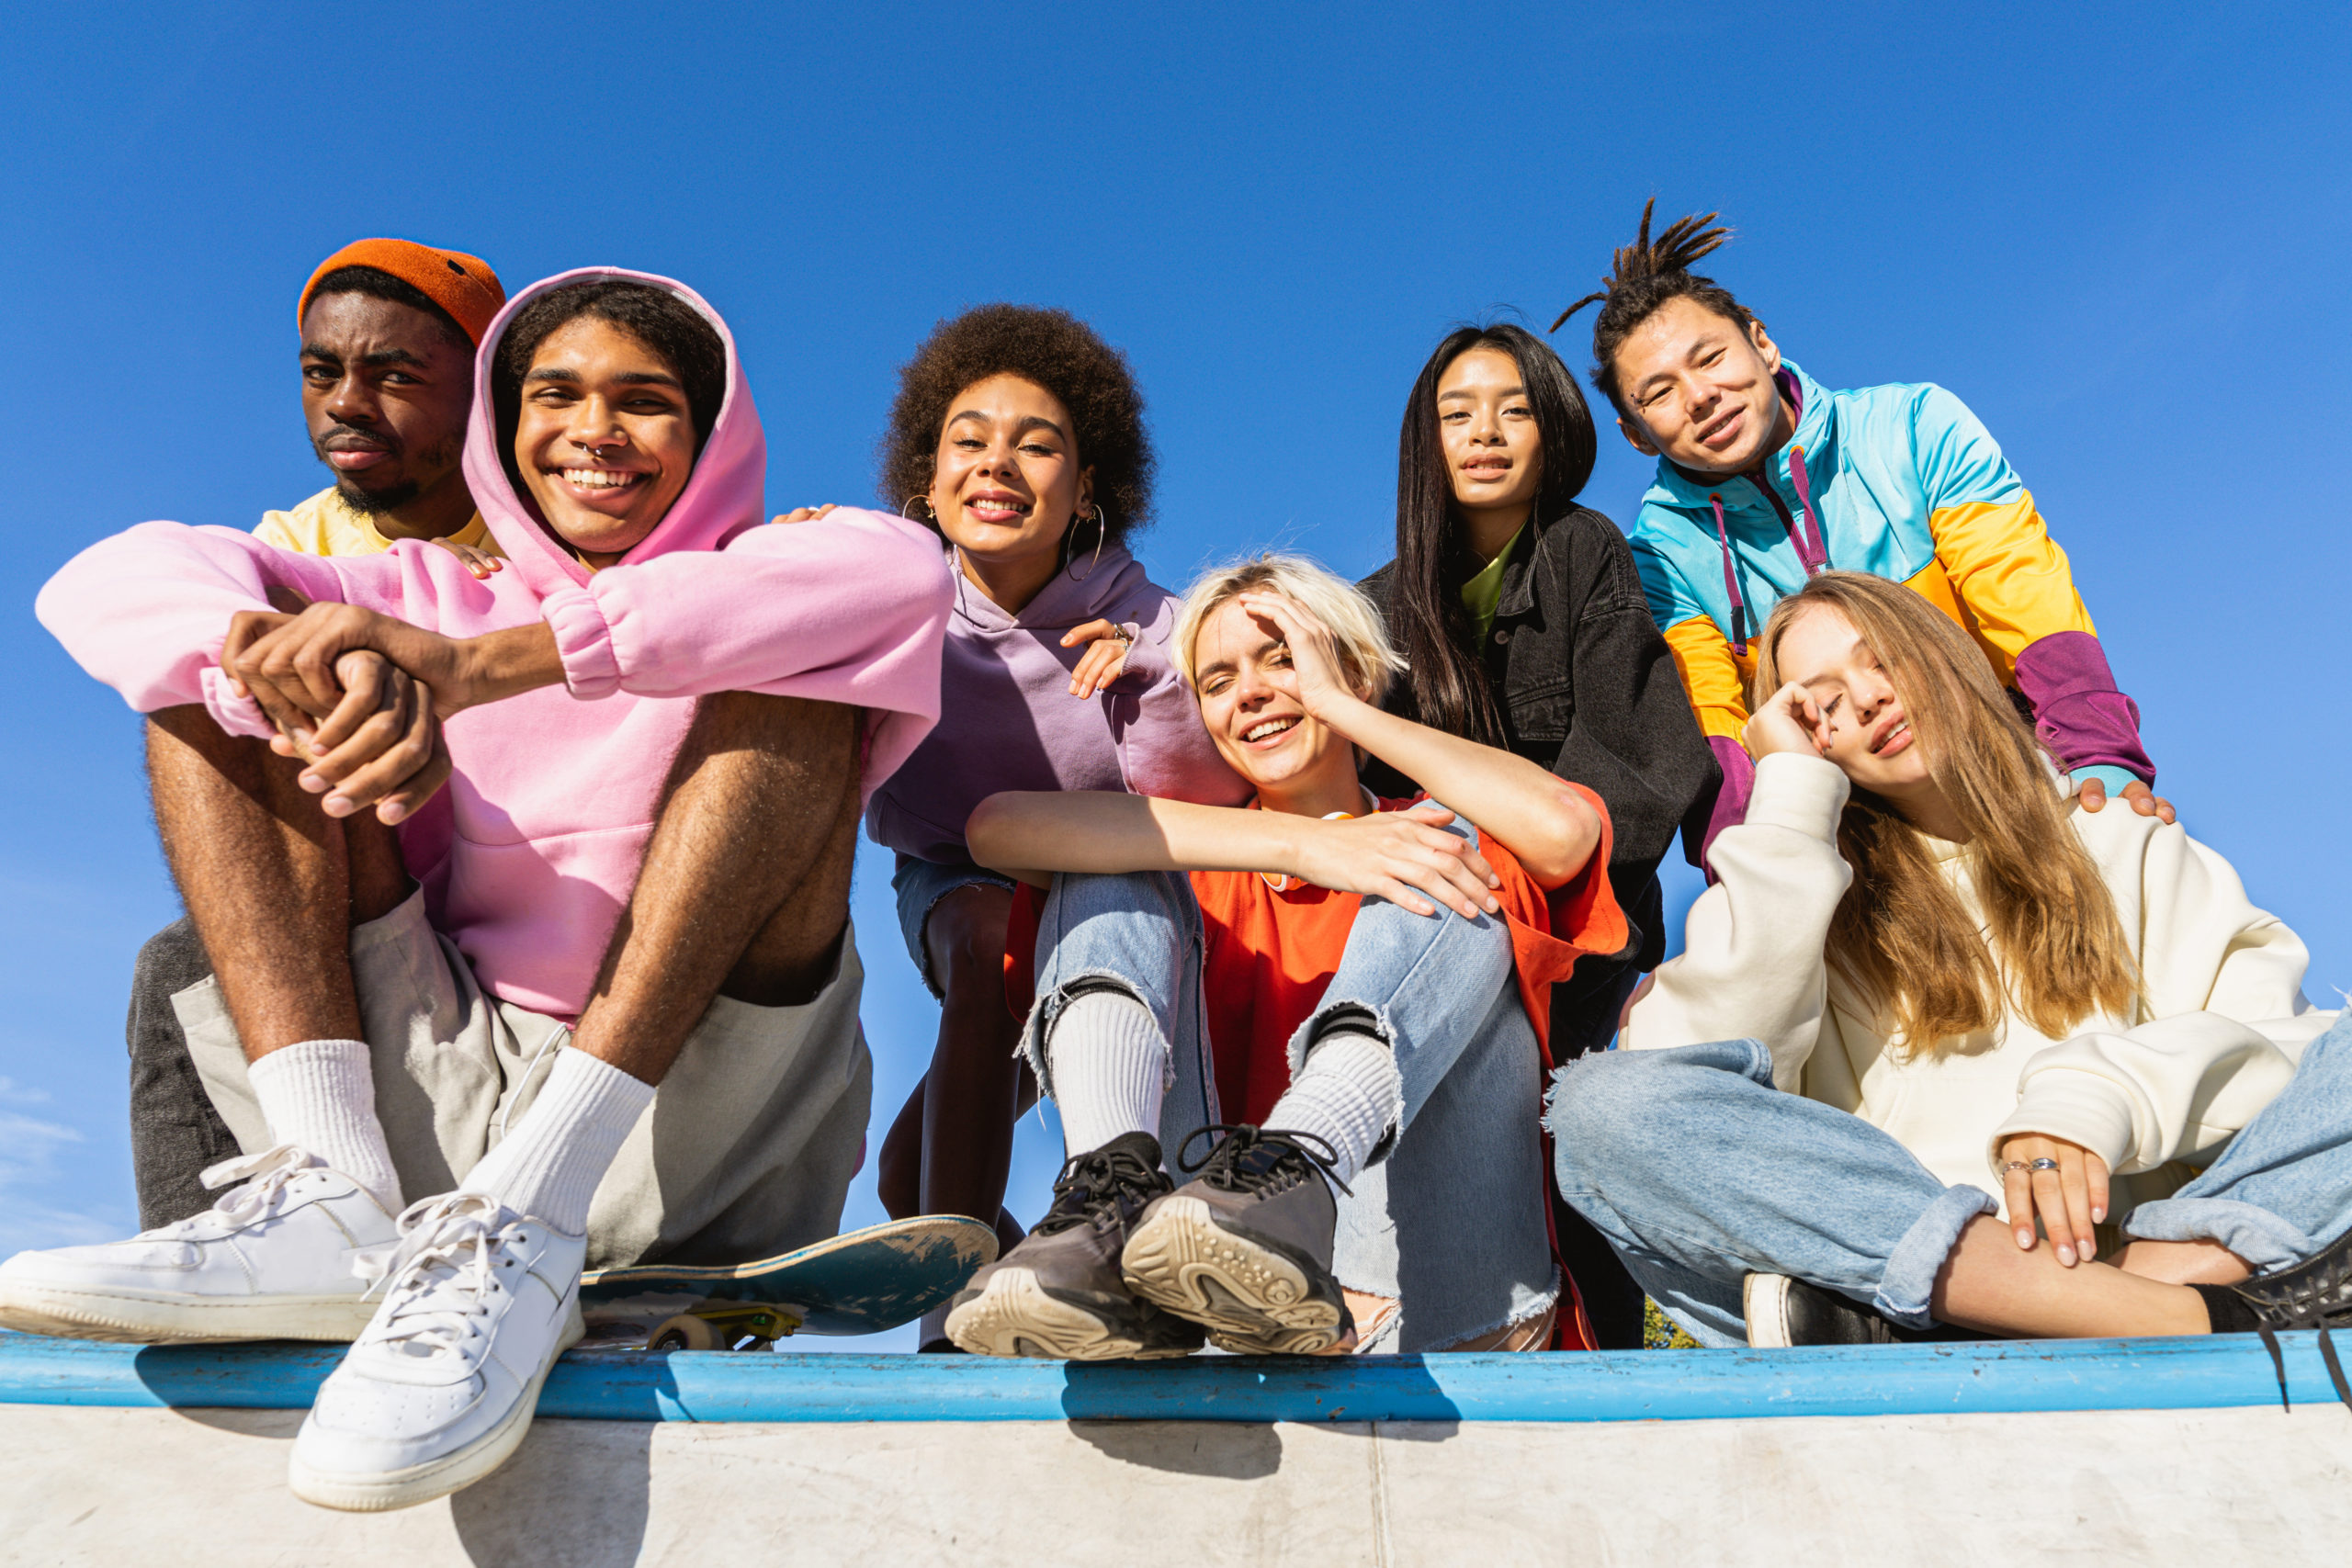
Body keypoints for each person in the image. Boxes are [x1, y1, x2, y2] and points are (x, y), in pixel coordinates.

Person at [5, 269, 953, 1508]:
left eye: (644, 401)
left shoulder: (777, 565)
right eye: (553, 395)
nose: (594, 431)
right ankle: (329, 1185)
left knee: (798, 681)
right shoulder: (421, 592)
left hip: (685, 1117)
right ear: (504, 431)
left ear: (713, 431)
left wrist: (480, 668)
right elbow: (113, 576)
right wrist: (292, 672)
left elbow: (902, 576)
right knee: (242, 655)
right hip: (439, 1088)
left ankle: (535, 1213)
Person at [1547, 572, 2352, 1399]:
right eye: (1816, 703)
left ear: (1943, 655)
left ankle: (2141, 1290)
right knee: (1601, 1109)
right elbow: (1681, 1080)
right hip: (1917, 1277)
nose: (1862, 700)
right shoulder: (1798, 887)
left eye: (1881, 660)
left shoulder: (2123, 837)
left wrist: (2095, 1096)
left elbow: (2290, 1058)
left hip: (2157, 1236)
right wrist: (1786, 801)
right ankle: (2166, 1316)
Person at [945, 555, 1627, 1359]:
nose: (1255, 693)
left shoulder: (1437, 826)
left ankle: (1296, 1171)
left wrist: (1338, 702)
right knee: (1112, 863)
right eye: (1219, 680)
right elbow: (995, 828)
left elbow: (1564, 829)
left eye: (1283, 660)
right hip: (1221, 1306)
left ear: (1356, 672)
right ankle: (1105, 1211)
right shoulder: (1197, 877)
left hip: (1437, 1308)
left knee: (1443, 844)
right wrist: (1309, 847)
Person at [855, 305, 1246, 1348]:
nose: (999, 463)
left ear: (1088, 490)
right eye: (968, 441)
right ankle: (965, 1311)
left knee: (909, 1174)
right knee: (984, 942)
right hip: (953, 875)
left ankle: (1053, 1287)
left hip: (1105, 896)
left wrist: (1151, 682)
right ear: (926, 481)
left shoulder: (1145, 614)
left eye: (1038, 445)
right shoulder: (889, 589)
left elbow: (1205, 801)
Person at [1555, 202, 2166, 860]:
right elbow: (1714, 724)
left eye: (1710, 358)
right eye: (1659, 394)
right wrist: (1740, 876)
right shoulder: (1658, 556)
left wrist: (2100, 756)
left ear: (1762, 341)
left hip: (2007, 762)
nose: (1700, 395)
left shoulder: (1914, 425)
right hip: (1853, 841)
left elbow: (2022, 585)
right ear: (1634, 433)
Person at [130, 238, 511, 1229]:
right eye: (320, 371)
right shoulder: (290, 542)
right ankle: (211, 1255)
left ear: (484, 394)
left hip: (520, 906)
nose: (345, 401)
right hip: (367, 876)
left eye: (394, 376)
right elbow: (138, 592)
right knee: (178, 962)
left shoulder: (552, 522)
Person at [1359, 322, 1719, 1346]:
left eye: (1513, 408)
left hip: (1578, 932)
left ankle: (1596, 1353)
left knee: (1557, 1140)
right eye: (1456, 413)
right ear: (1422, 442)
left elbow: (1640, 756)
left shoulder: (1579, 551)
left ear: (1552, 429)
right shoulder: (1377, 610)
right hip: (1440, 919)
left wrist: (1521, 880)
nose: (1485, 433)